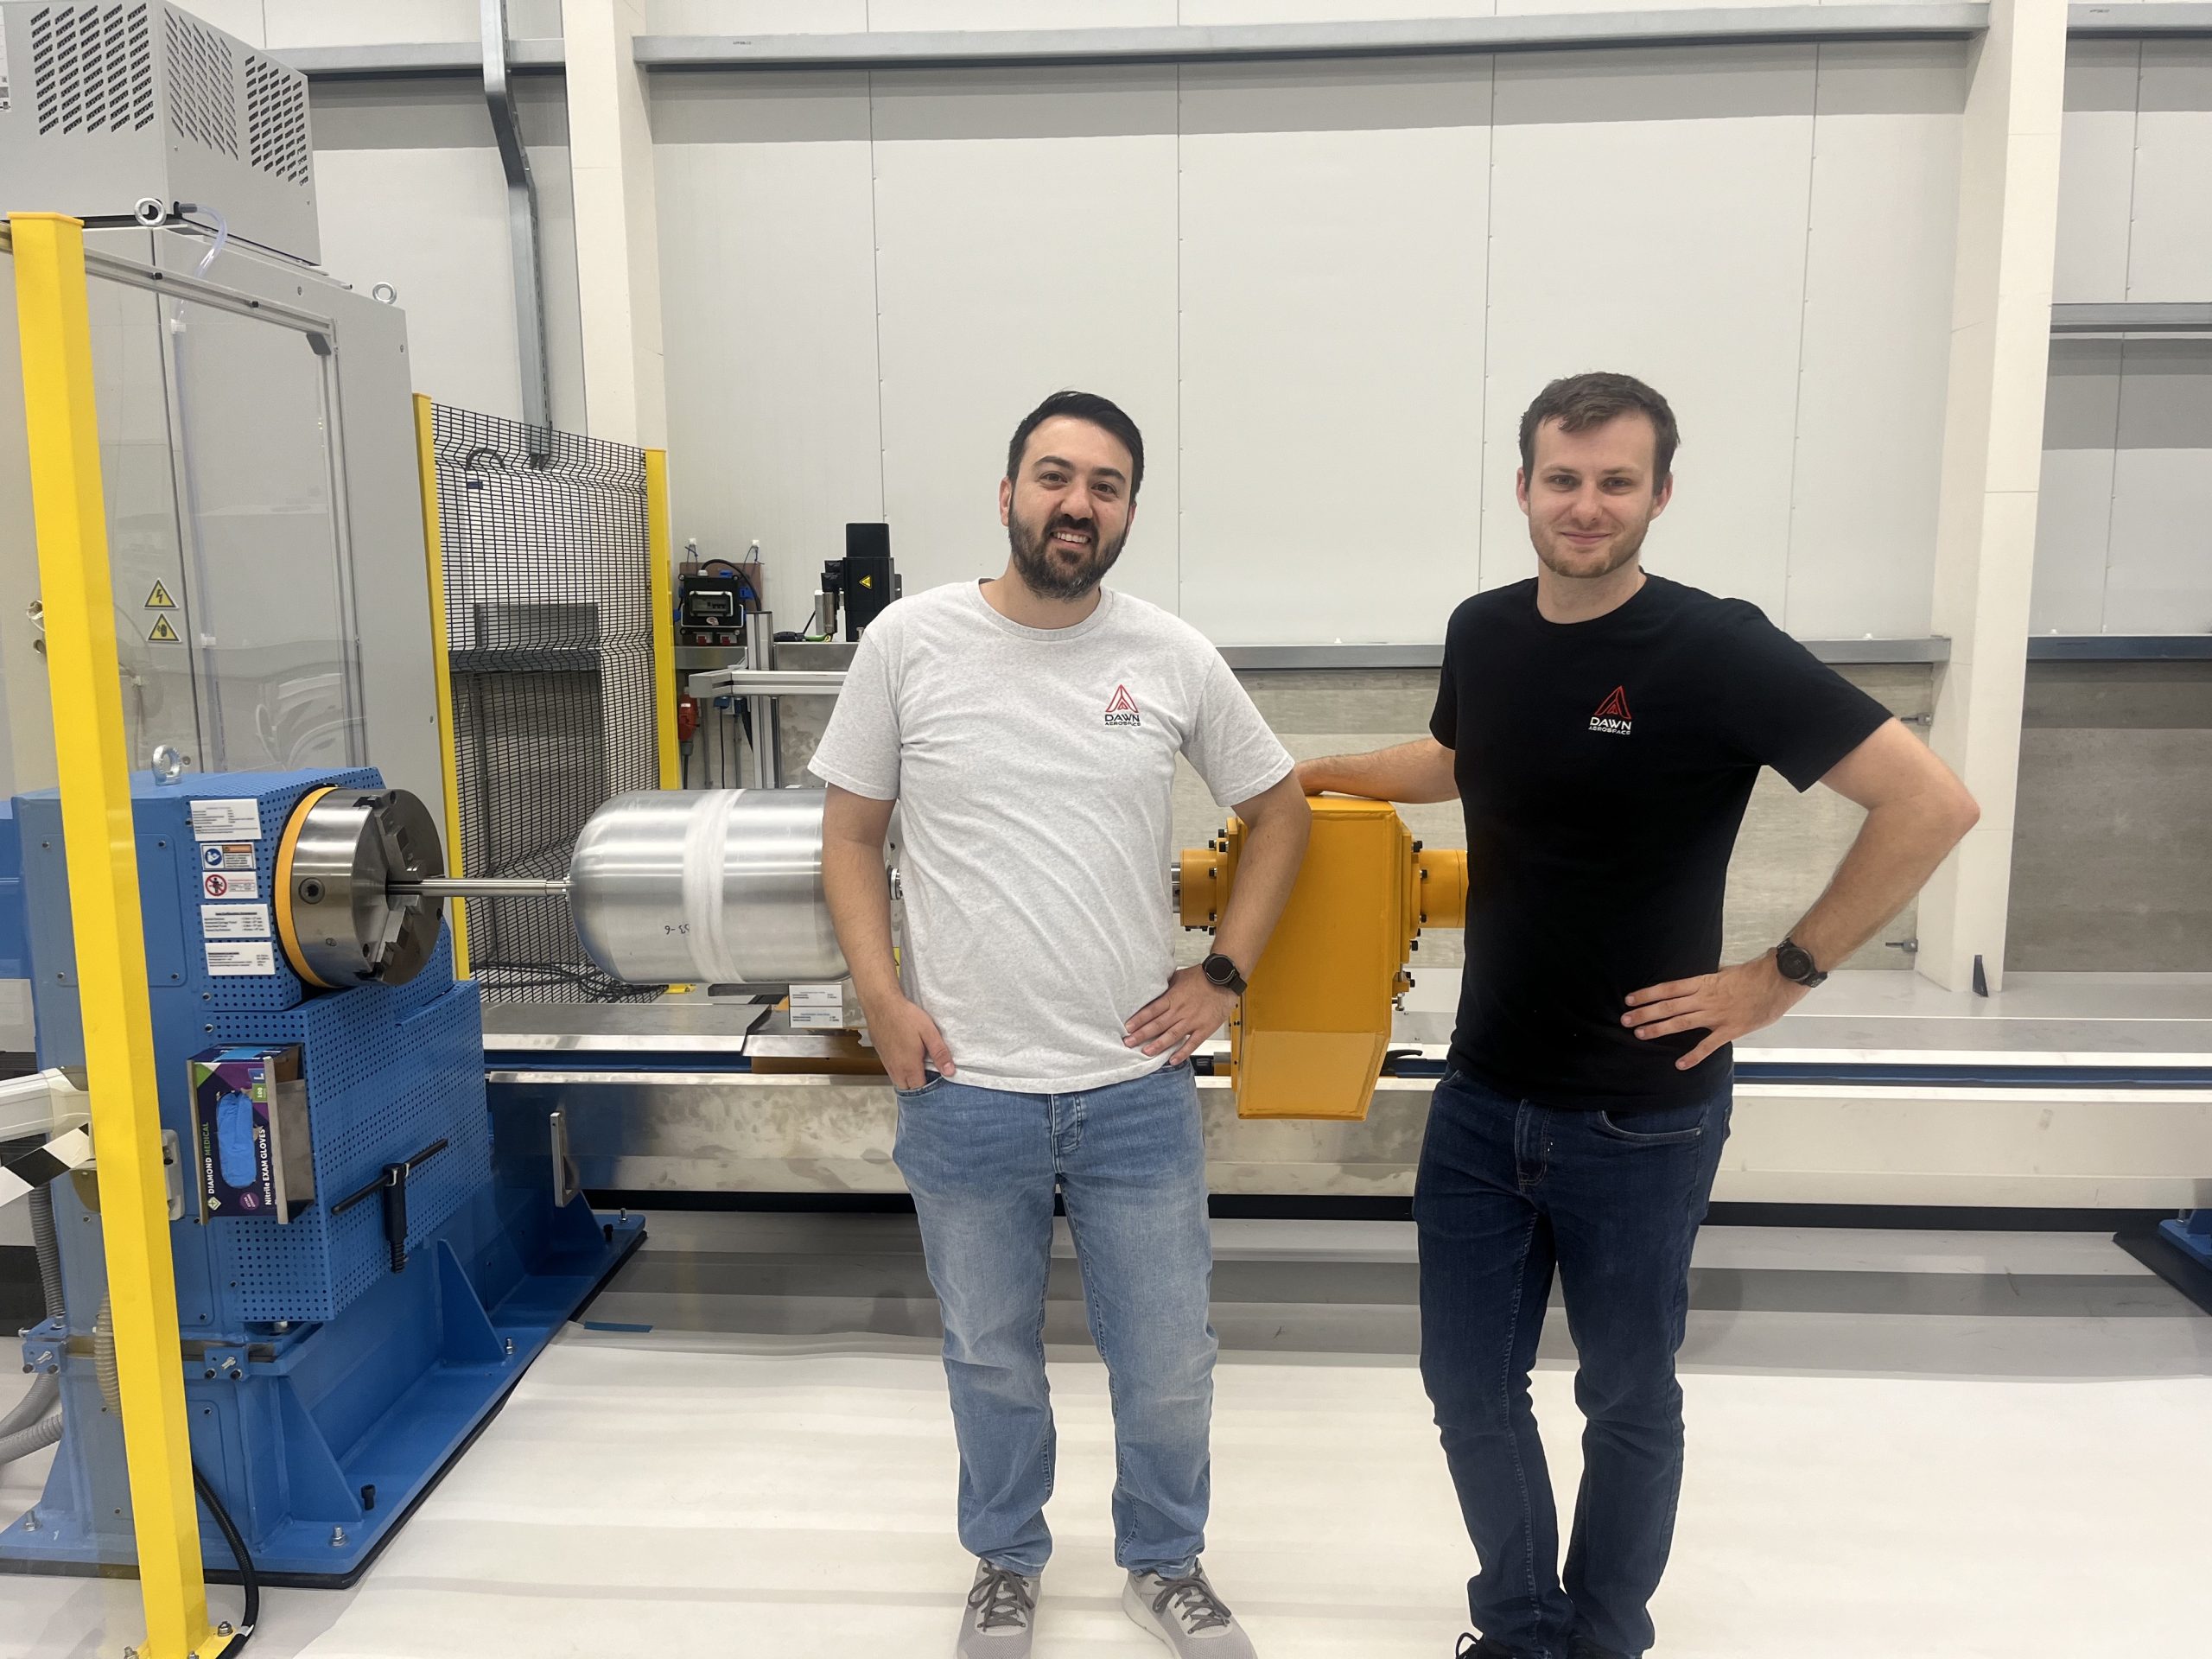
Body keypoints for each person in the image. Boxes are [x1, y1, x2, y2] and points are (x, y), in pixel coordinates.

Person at [1297, 372, 1980, 1659]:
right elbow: (1460, 758)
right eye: (1564, 478)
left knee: (1624, 1398)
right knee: (1468, 1389)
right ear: (1523, 488)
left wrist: (1783, 973)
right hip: (1482, 1097)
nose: (1587, 504)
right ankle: (1519, 1626)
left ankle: (1605, 1635)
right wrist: (1315, 774)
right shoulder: (1485, 630)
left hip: (1641, 1113)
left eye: (1618, 481)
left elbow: (1931, 802)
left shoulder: (1716, 647)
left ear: (1661, 493)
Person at [811, 390, 1312, 1659]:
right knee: (988, 1356)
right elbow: (853, 836)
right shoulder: (909, 645)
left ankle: (1165, 1560)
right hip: (962, 1082)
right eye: (1053, 476)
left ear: (1130, 509)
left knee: (1168, 1364)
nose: (1076, 503)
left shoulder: (1174, 655)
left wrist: (1226, 976)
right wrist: (881, 997)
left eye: (1105, 484)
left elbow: (1282, 810)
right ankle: (1004, 1563)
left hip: (1130, 1085)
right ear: (1007, 494)